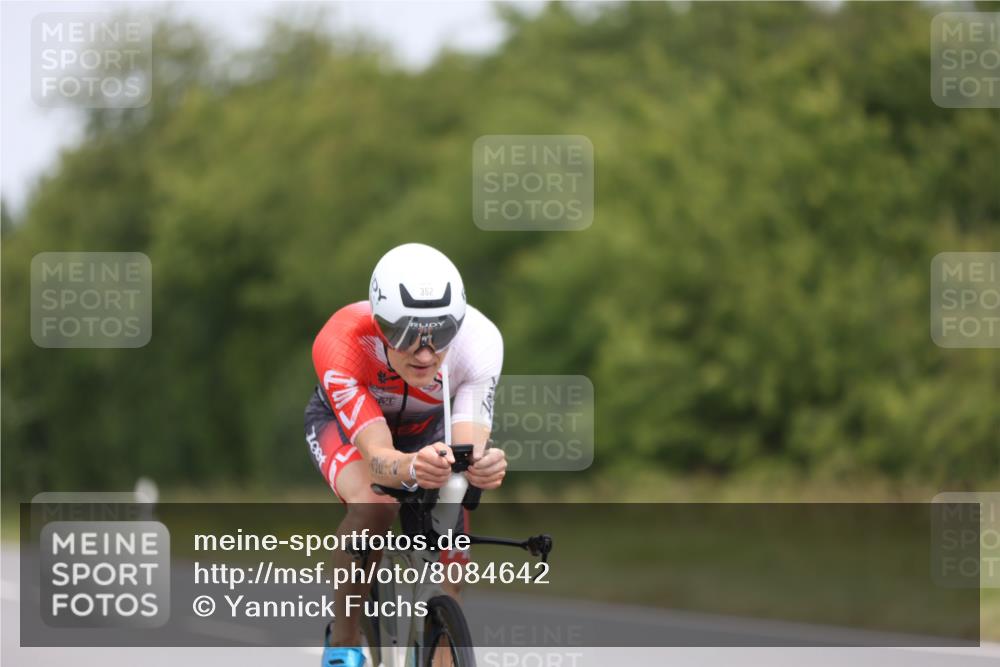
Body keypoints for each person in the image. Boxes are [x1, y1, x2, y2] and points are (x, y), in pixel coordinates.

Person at [305, 243, 507, 667]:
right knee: (375, 504)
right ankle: (342, 646)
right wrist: (412, 466)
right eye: (407, 335)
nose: (425, 353)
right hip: (350, 429)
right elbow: (379, 457)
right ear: (380, 325)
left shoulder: (480, 341)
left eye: (441, 334)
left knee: (451, 560)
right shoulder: (342, 342)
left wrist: (481, 466)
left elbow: (467, 446)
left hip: (428, 430)